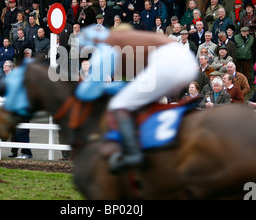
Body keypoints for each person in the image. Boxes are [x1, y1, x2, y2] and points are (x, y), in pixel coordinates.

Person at [73, 24, 197, 172]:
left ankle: (133, 153)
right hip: (183, 60)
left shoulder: (107, 44)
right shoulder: (123, 42)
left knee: (119, 105)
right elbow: (127, 84)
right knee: (139, 102)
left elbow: (90, 89)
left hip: (168, 62)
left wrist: (75, 92)